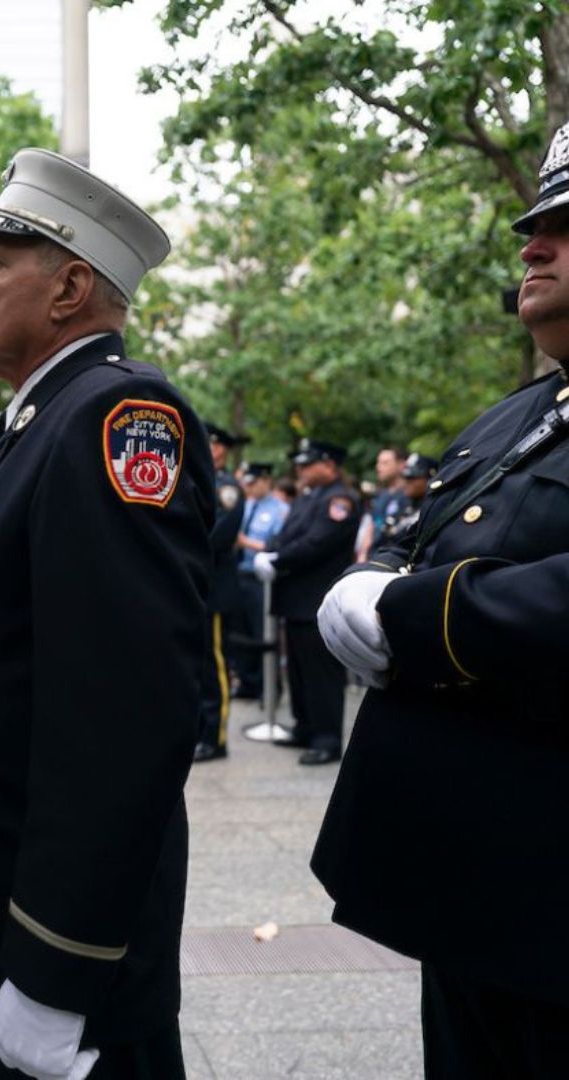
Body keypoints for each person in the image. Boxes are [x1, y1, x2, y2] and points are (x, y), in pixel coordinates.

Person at [0, 147, 215, 1080]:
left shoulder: (115, 416)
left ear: (68, 288)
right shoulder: (42, 419)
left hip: (56, 939)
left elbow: (123, 720)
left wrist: (57, 968)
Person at [313, 122, 569, 1075]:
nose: (530, 243)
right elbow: (415, 535)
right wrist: (364, 583)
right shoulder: (523, 413)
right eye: (533, 223)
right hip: (471, 896)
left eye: (564, 227)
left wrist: (410, 618)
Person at [253, 438, 360, 765]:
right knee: (298, 670)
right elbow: (286, 534)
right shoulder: (308, 497)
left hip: (317, 597)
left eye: (307, 463)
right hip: (296, 598)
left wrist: (278, 559)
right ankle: (305, 726)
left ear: (328, 465)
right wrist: (272, 550)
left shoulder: (340, 499)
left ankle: (327, 738)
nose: (300, 469)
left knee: (320, 673)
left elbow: (318, 543)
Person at [194, 422, 245, 762]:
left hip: (214, 585)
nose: (209, 450)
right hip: (196, 584)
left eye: (214, 445)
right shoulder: (197, 479)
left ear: (222, 450)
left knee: (214, 664)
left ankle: (216, 736)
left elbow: (219, 536)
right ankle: (200, 731)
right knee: (198, 665)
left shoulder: (227, 488)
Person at [233, 462, 289, 699]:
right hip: (239, 575)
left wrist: (244, 542)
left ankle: (269, 686)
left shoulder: (280, 510)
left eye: (254, 482)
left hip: (262, 580)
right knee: (241, 632)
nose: (250, 487)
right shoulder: (245, 505)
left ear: (266, 480)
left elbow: (278, 546)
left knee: (263, 632)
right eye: (247, 483)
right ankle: (248, 682)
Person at [354, 446, 406, 561]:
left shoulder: (408, 497)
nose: (378, 467)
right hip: (372, 556)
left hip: (393, 558)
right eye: (378, 462)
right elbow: (372, 525)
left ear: (401, 464)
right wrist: (363, 554)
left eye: (385, 463)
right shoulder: (380, 495)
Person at [380, 452, 437, 542]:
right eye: (405, 477)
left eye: (412, 478)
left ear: (429, 479)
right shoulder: (402, 504)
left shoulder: (434, 508)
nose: (407, 482)